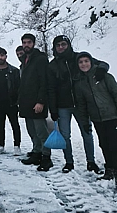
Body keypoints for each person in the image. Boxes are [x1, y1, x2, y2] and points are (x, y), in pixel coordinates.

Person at [46, 35, 106, 174]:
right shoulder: (52, 65)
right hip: (62, 106)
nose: (61, 47)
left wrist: (101, 70)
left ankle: (91, 162)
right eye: (58, 45)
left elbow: (102, 64)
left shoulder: (79, 58)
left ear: (68, 45)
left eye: (63, 44)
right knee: (65, 135)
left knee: (87, 133)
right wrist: (53, 109)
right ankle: (69, 162)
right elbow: (51, 89)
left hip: (81, 105)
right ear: (55, 48)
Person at [74, 52, 117, 181]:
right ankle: (110, 169)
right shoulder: (79, 83)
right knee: (104, 144)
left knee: (114, 143)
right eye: (81, 62)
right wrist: (85, 122)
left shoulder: (104, 76)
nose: (84, 64)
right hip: (97, 118)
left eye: (86, 61)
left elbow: (115, 93)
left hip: (111, 116)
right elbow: (81, 105)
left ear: (91, 62)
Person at [18, 33, 52, 171]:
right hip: (27, 102)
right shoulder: (25, 59)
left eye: (29, 42)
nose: (26, 45)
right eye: (24, 42)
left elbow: (44, 81)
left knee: (41, 131)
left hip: (37, 102)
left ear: (33, 43)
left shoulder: (40, 59)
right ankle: (36, 152)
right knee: (32, 130)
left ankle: (46, 157)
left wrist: (41, 101)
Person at [0, 47, 22, 155]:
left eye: (2, 55)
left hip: (11, 103)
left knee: (14, 124)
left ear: (6, 56)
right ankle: (1, 145)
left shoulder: (14, 71)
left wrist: (17, 101)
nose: (0, 58)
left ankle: (17, 146)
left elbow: (19, 87)